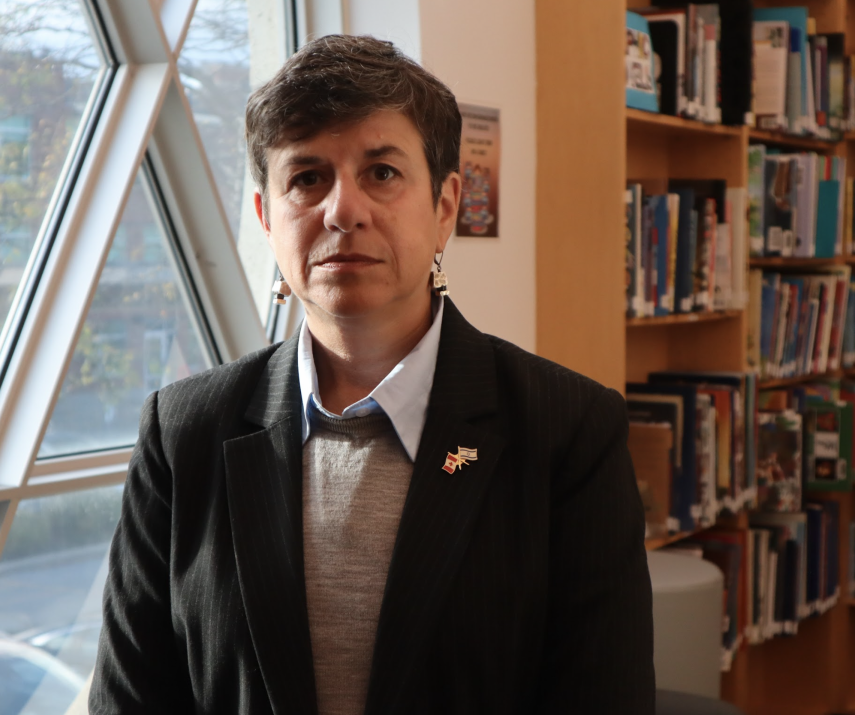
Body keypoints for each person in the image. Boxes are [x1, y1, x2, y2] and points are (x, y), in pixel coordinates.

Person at [89, 34, 654, 715]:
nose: (342, 210)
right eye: (307, 177)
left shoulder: (568, 430)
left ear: (445, 207)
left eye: (382, 173)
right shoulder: (183, 434)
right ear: (268, 219)